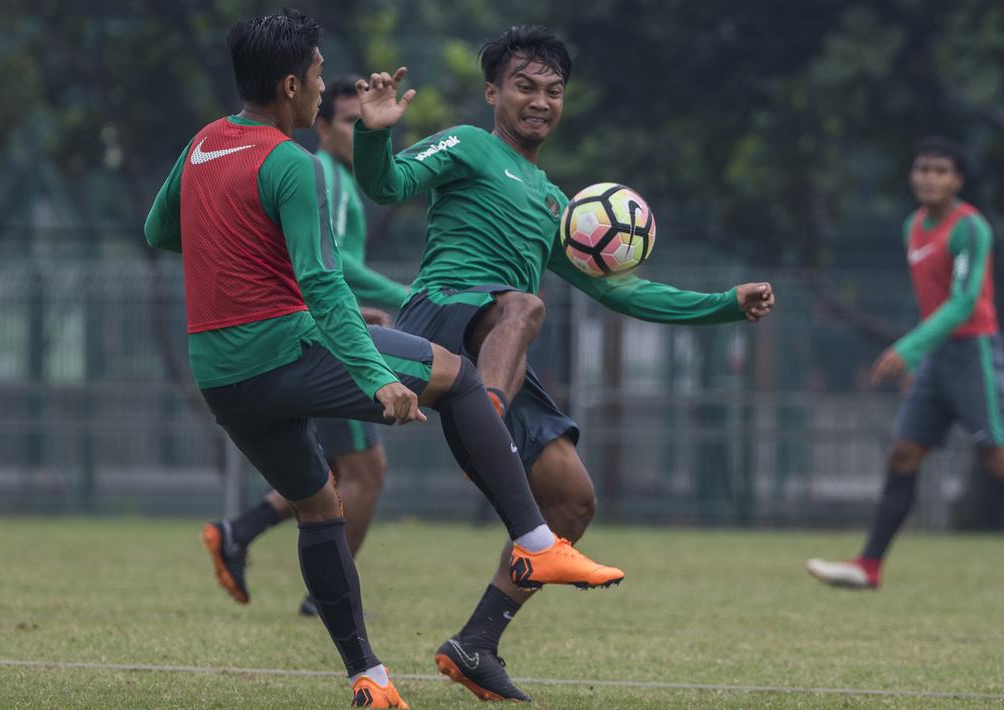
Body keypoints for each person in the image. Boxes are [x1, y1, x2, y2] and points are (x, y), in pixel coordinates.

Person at [144, 11, 621, 708]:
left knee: (318, 506)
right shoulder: (291, 162)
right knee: (457, 377)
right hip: (283, 345)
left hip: (220, 373)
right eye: (313, 76)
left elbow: (160, 230)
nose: (319, 91)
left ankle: (370, 679)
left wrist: (237, 258)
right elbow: (321, 282)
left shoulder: (201, 145)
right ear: (288, 84)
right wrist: (374, 378)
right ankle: (533, 537)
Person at [352, 26, 775, 701]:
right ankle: (484, 418)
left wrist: (724, 303)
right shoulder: (467, 144)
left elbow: (620, 288)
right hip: (444, 315)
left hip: (499, 344)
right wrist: (373, 133)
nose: (539, 100)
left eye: (553, 91)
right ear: (493, 91)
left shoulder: (559, 205)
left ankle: (476, 643)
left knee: (572, 501)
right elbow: (386, 183)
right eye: (524, 85)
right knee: (524, 307)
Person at [805, 137, 1004, 598]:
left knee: (998, 457)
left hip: (974, 354)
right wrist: (925, 355)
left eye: (941, 171)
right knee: (903, 455)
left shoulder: (970, 228)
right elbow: (931, 301)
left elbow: (964, 301)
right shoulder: (913, 226)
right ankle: (868, 565)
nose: (930, 178)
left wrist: (910, 348)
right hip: (937, 358)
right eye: (923, 169)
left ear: (957, 180)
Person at [199, 76, 413, 618]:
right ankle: (327, 595)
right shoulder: (328, 178)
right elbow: (330, 268)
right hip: (326, 342)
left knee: (333, 474)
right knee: (366, 472)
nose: (357, 130)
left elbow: (316, 266)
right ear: (320, 125)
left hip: (309, 332)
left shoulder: (329, 177)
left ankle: (239, 532)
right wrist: (407, 295)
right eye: (347, 121)